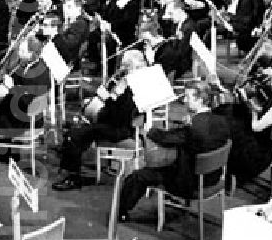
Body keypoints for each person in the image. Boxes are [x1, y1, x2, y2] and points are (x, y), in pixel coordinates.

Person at [118, 82, 231, 220]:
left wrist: (150, 130)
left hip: (190, 182)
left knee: (138, 176)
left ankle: (121, 212)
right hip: (214, 177)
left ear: (199, 100)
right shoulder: (222, 121)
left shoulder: (193, 128)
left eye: (188, 97)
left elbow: (167, 138)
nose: (184, 100)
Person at [51, 49, 147, 190]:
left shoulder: (133, 87)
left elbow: (119, 116)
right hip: (111, 122)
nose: (121, 68)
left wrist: (107, 98)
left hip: (119, 129)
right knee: (77, 130)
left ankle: (72, 176)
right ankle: (69, 158)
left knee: (77, 134)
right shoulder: (128, 82)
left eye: (125, 66)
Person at [0, 35, 51, 151]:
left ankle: (5, 153)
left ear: (32, 53)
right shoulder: (28, 65)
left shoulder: (39, 74)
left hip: (25, 119)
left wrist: (12, 87)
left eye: (22, 51)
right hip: (17, 112)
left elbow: (27, 102)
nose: (19, 53)